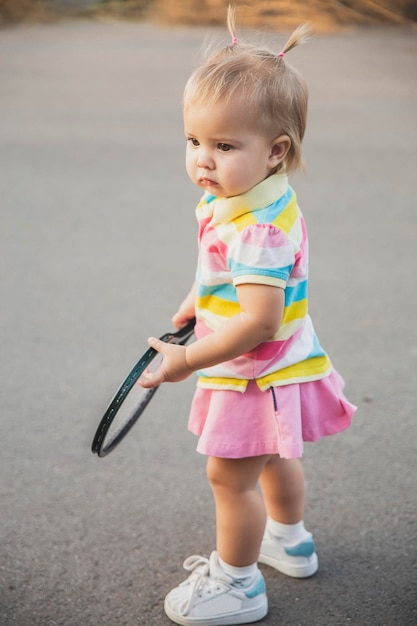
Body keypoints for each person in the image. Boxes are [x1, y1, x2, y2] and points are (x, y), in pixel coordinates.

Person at [139, 6, 356, 625]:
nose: (203, 160)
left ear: (275, 151)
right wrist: (195, 299)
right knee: (276, 457)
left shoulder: (256, 229)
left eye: (224, 145)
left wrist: (187, 359)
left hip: (252, 368)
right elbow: (224, 278)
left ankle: (238, 585)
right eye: (194, 141)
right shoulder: (239, 199)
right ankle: (290, 542)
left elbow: (257, 319)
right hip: (284, 363)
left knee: (229, 478)